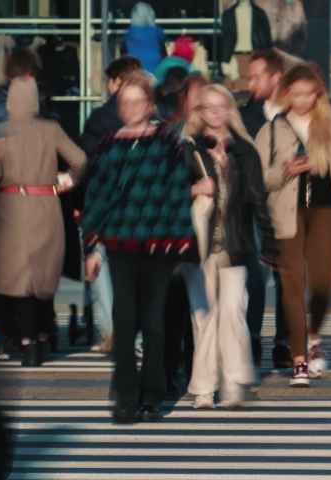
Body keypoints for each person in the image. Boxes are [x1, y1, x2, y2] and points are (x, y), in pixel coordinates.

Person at [81, 73, 194, 423]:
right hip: (121, 243)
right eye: (124, 102)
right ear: (119, 107)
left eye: (138, 101)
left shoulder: (167, 142)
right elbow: (97, 197)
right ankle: (127, 397)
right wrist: (93, 245)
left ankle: (153, 395)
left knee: (156, 322)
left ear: (150, 104)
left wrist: (181, 244)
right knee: (124, 322)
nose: (131, 107)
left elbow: (177, 194)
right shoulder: (108, 144)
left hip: (159, 243)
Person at [255, 63, 331, 387]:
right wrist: (286, 170)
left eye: (309, 93)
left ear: (318, 93)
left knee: (322, 284)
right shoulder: (273, 128)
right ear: (287, 93)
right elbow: (260, 177)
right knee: (292, 285)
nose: (302, 100)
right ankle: (299, 359)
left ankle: (314, 334)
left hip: (326, 209)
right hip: (286, 214)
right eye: (296, 94)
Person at [182, 84, 278, 409]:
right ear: (199, 113)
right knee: (206, 319)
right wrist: (194, 188)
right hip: (199, 246)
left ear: (229, 110)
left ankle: (234, 383)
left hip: (236, 243)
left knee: (234, 313)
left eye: (221, 106)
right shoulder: (186, 149)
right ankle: (204, 390)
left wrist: (271, 245)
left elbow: (259, 200)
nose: (215, 113)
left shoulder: (245, 151)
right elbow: (166, 195)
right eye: (208, 108)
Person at [0, 77, 86, 367]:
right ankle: (43, 338)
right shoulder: (50, 129)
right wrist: (68, 180)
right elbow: (79, 159)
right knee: (43, 278)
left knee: (19, 281)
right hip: (47, 204)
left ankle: (28, 346)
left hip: (11, 206)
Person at [77, 55, 144, 353]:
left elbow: (83, 165)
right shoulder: (153, 115)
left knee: (102, 267)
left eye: (109, 80)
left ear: (117, 81)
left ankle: (113, 333)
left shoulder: (100, 118)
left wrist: (78, 204)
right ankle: (137, 335)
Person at [238, 48, 292, 368]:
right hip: (253, 208)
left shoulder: (298, 115)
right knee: (255, 275)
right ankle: (254, 338)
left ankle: (283, 342)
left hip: (288, 209)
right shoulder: (244, 117)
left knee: (288, 277)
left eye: (257, 76)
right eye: (249, 76)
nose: (250, 83)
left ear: (277, 77)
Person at [122, 3, 166, 74]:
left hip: (135, 69)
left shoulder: (130, 32)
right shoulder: (157, 31)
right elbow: (163, 52)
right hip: (155, 70)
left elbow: (123, 52)